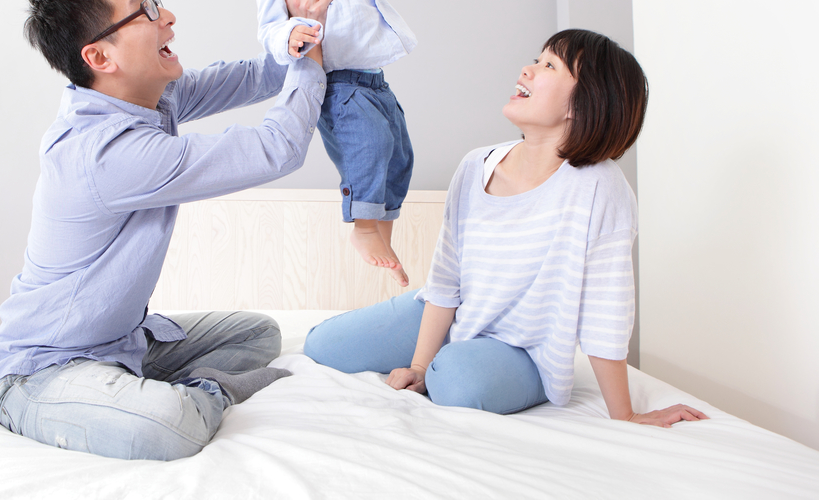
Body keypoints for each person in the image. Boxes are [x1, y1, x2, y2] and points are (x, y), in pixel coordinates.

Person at [0, 0, 373, 461]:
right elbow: (274, 148)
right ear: (100, 57)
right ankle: (199, 394)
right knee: (168, 426)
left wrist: (301, 31)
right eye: (144, 10)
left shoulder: (144, 100)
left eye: (156, 2)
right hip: (44, 369)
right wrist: (314, 63)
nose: (166, 17)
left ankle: (144, 384)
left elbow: (251, 77)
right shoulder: (105, 153)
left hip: (124, 344)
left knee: (259, 332)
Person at [304, 29, 709, 427]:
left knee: (456, 383)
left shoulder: (600, 187)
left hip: (522, 349)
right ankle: (445, 350)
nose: (527, 69)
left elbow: (607, 309)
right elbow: (446, 278)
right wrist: (419, 365)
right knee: (322, 346)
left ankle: (464, 360)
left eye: (549, 65)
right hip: (451, 313)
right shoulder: (476, 164)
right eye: (537, 59)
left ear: (582, 105)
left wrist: (626, 414)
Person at [229, 0, 416, 286]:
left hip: (374, 76)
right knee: (368, 146)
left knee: (398, 154)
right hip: (339, 82)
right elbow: (270, 29)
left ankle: (382, 231)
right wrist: (293, 32)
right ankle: (364, 228)